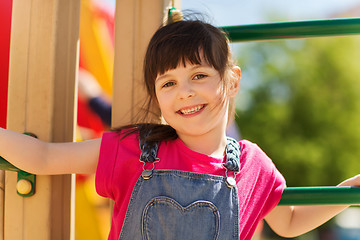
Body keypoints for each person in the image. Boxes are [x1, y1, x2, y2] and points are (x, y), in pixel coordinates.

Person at [0, 17, 359, 240]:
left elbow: (290, 221)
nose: (184, 91)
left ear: (232, 81)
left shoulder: (252, 164)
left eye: (199, 76)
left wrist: (349, 191)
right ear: (156, 96)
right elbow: (44, 157)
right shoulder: (133, 148)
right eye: (168, 83)